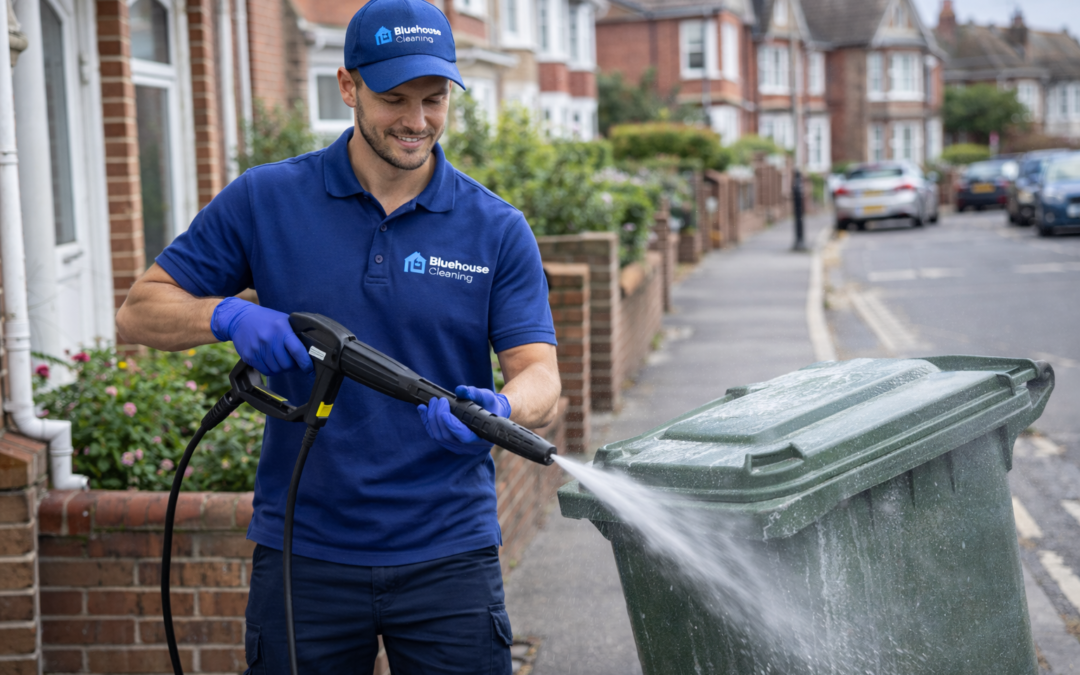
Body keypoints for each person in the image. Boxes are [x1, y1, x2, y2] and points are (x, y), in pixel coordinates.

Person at [115, 0, 560, 671]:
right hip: (305, 553)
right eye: (393, 98)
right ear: (347, 86)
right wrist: (227, 316)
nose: (416, 121)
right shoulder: (266, 200)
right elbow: (140, 310)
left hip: (449, 553)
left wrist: (501, 409)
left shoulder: (495, 228)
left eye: (434, 99)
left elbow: (541, 377)